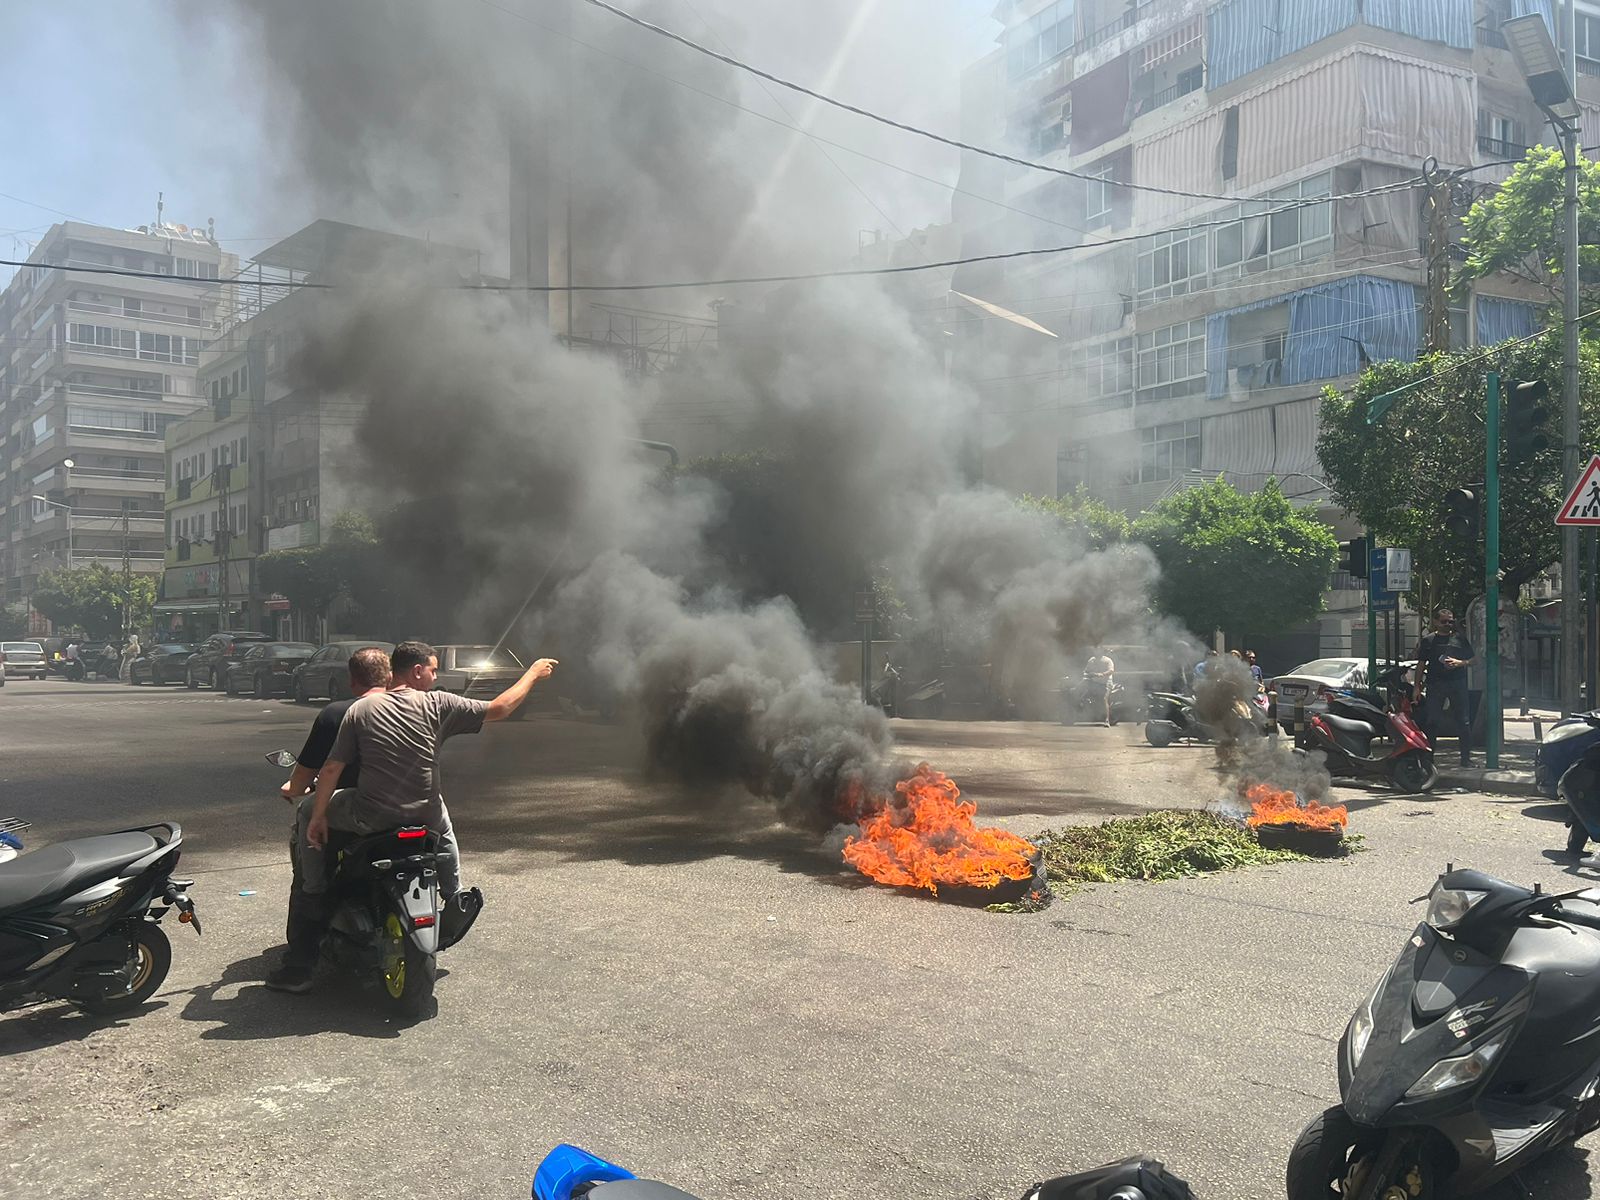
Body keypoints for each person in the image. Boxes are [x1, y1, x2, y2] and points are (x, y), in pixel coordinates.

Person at [276, 640, 557, 994]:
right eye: (434, 670)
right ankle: (454, 894)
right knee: (443, 820)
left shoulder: (361, 710)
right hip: (426, 816)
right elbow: (501, 707)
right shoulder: (439, 703)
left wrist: (319, 817)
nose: (437, 677)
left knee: (307, 812)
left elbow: (331, 769)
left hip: (371, 817)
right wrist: (532, 673)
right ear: (417, 671)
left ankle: (314, 888)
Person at [267, 646, 392, 992]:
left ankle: (299, 968)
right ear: (389, 677)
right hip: (407, 809)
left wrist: (293, 788)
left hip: (350, 814)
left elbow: (306, 776)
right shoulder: (409, 708)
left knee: (309, 873)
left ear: (352, 680)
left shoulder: (337, 713)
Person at [1416, 607, 1476, 767]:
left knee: (1463, 721)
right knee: (1432, 721)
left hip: (1457, 683)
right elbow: (1421, 664)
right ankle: (1429, 759)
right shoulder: (1428, 640)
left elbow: (1474, 659)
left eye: (1451, 621)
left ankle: (1466, 759)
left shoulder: (1459, 639)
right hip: (1435, 684)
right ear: (1435, 622)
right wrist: (1417, 687)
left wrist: (1460, 663)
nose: (1448, 624)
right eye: (1444, 622)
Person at [1083, 648, 1116, 726]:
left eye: (1098, 651)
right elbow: (1086, 670)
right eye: (1095, 651)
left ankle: (1107, 720)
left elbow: (1111, 670)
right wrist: (1089, 674)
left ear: (1102, 652)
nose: (1096, 652)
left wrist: (1102, 674)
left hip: (1106, 683)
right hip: (1094, 682)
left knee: (1104, 699)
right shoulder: (1091, 660)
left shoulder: (1108, 660)